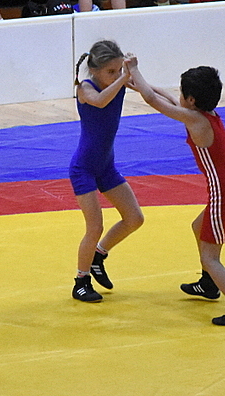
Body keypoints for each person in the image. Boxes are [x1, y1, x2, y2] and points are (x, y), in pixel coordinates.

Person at [127, 63, 225, 326]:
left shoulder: (196, 120)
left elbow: (154, 101)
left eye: (182, 93)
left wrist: (134, 69)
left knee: (211, 257)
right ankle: (208, 284)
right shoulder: (206, 114)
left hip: (224, 193)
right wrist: (138, 83)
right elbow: (166, 97)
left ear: (192, 100)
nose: (178, 96)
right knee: (199, 226)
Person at [69, 40, 144, 302]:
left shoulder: (118, 82)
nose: (116, 75)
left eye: (118, 70)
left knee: (134, 218)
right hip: (84, 169)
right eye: (110, 71)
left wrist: (180, 106)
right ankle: (81, 282)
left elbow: (149, 91)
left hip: (105, 167)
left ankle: (98, 256)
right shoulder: (85, 88)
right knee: (95, 226)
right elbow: (100, 102)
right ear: (94, 70)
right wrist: (123, 77)